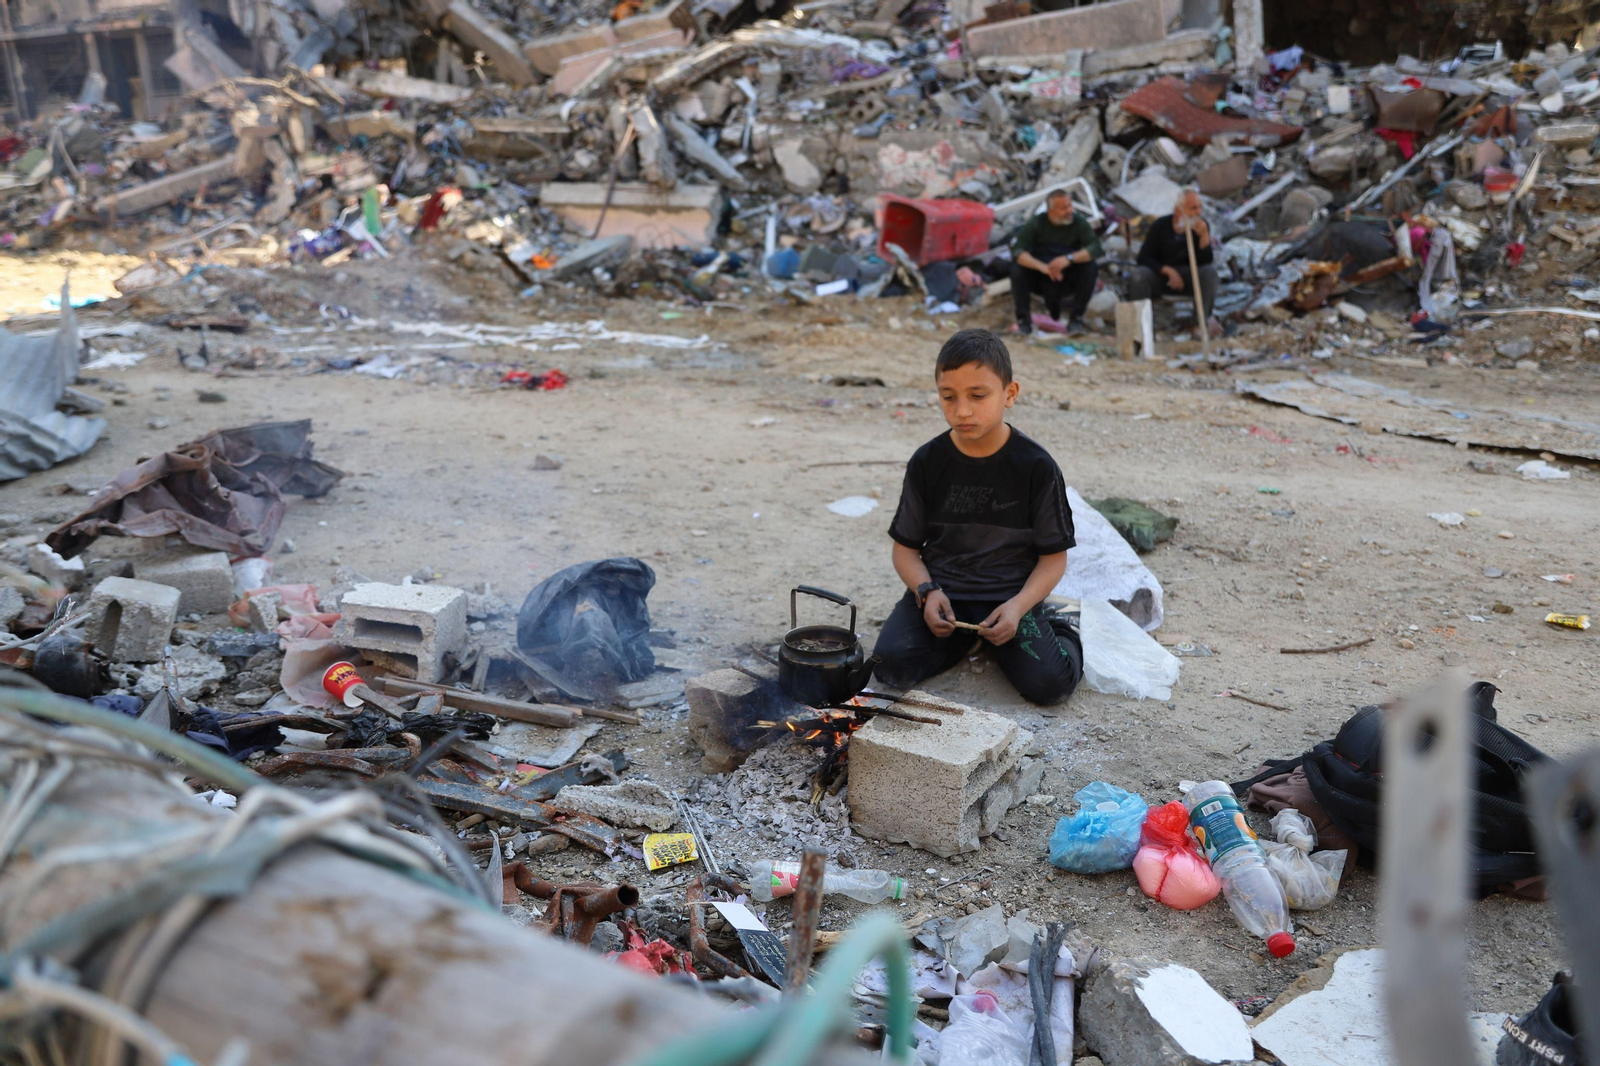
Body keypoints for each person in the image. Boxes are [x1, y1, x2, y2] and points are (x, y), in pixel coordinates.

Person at [872, 328, 1083, 706]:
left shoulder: (1036, 467)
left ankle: (1062, 626)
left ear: (1010, 394)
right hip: (944, 592)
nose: (962, 410)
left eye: (978, 395)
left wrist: (1019, 607)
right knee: (889, 667)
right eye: (948, 396)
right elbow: (905, 550)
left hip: (1011, 596)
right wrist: (927, 591)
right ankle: (966, 636)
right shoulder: (927, 462)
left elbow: (1054, 560)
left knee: (1051, 686)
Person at [1127, 187, 1223, 338]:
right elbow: (1144, 258)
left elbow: (1205, 262)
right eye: (1193, 208)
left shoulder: (1200, 226)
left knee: (1209, 273)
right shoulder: (1160, 226)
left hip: (1190, 277)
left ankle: (1199, 323)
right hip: (1162, 277)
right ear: (1178, 211)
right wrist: (1169, 271)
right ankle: (1140, 326)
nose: (1198, 212)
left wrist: (1204, 236)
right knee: (1139, 275)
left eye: (1199, 207)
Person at [1009, 189, 1103, 336]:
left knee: (1090, 268)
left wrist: (1068, 259)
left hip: (1067, 277)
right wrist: (1043, 267)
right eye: (1064, 208)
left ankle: (1076, 321)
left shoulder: (1078, 222)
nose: (1069, 211)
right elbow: (1018, 252)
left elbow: (1095, 248)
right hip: (1041, 278)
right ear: (1051, 211)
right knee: (1017, 271)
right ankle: (1024, 323)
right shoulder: (1037, 223)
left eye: (1070, 206)